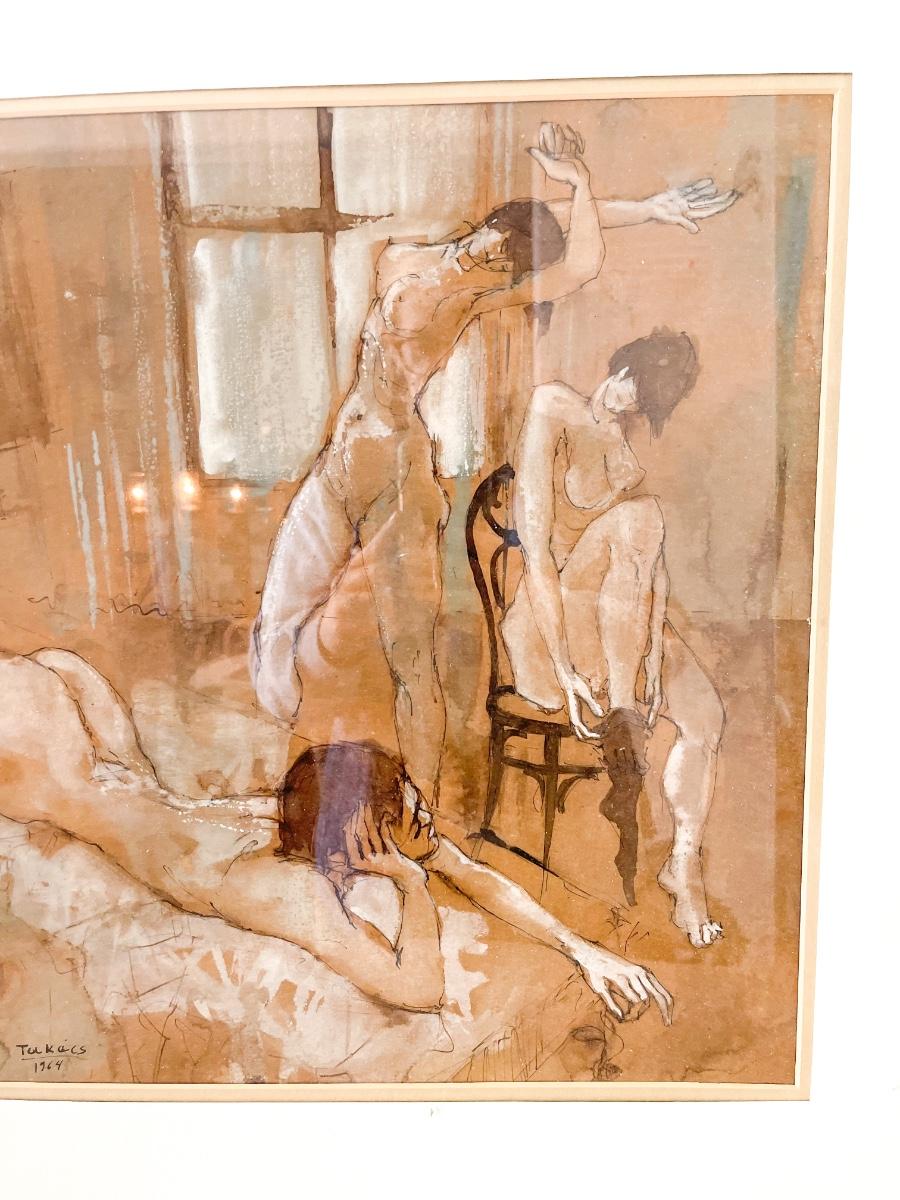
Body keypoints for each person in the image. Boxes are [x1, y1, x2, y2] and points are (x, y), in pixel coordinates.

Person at [251, 121, 739, 807]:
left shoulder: (474, 299)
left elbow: (577, 263)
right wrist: (623, 202)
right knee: (280, 633)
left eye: (505, 265)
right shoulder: (399, 257)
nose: (488, 261)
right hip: (341, 465)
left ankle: (417, 810)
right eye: (491, 243)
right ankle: (313, 785)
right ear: (484, 228)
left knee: (412, 657)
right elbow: (536, 223)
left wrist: (591, 188)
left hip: (397, 481)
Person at [0, 647, 673, 1023]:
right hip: (60, 778)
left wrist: (580, 949)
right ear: (364, 830)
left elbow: (474, 875)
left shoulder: (319, 830)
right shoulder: (292, 891)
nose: (427, 820)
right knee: (48, 675)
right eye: (409, 810)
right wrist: (412, 885)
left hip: (111, 772)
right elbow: (418, 990)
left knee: (56, 665)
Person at [501, 330, 726, 948]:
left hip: (616, 630)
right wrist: (564, 668)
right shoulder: (552, 406)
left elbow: (653, 574)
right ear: (622, 365)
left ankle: (683, 867)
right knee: (639, 516)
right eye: (633, 387)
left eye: (644, 404)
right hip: (549, 631)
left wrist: (654, 652)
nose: (629, 404)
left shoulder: (626, 457)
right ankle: (625, 719)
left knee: (706, 717)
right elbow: (537, 556)